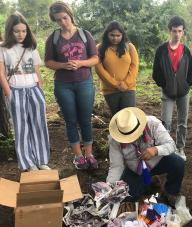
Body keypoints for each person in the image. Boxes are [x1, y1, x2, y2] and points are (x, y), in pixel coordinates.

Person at [45, 1, 99, 169]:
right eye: (58, 20)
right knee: (70, 120)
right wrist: (62, 65)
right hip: (63, 85)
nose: (62, 22)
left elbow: (95, 58)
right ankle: (78, 156)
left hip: (84, 83)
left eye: (64, 18)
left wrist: (81, 63)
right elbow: (48, 62)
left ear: (70, 15)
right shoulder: (53, 38)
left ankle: (89, 154)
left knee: (85, 119)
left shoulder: (84, 35)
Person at [0, 12, 50, 171]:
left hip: (34, 89)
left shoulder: (31, 47)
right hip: (15, 90)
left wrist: (40, 90)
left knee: (39, 124)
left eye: (23, 31)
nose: (21, 34)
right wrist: (9, 93)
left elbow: (37, 71)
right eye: (16, 31)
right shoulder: (3, 48)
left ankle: (42, 160)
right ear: (10, 31)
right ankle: (28, 163)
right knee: (21, 128)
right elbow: (1, 73)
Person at [106, 107, 185, 203]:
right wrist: (109, 187)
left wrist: (155, 150)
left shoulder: (152, 124)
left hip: (157, 161)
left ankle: (170, 193)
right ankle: (149, 183)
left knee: (178, 163)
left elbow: (171, 145)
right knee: (127, 198)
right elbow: (116, 166)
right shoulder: (115, 139)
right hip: (135, 169)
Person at [152, 16, 192, 161]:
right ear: (169, 31)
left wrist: (187, 84)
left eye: (180, 31)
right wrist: (164, 84)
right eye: (174, 31)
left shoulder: (186, 51)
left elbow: (191, 71)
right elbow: (156, 72)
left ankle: (180, 148)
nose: (177, 34)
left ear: (183, 32)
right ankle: (166, 150)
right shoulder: (161, 50)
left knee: (182, 122)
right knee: (166, 122)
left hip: (183, 93)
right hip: (167, 92)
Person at [95, 21, 139, 116]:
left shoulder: (129, 47)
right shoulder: (99, 48)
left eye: (118, 35)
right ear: (107, 34)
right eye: (112, 35)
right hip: (110, 90)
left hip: (128, 89)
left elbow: (134, 66)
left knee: (129, 118)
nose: (115, 38)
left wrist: (126, 83)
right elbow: (99, 69)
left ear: (122, 35)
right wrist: (115, 84)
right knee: (117, 118)